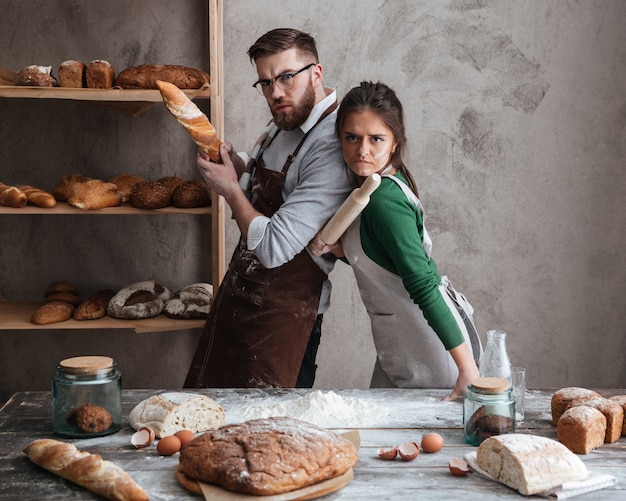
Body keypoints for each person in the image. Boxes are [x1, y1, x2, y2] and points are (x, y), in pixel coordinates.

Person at [184, 28, 355, 389]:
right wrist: (235, 162)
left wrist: (229, 189)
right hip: (239, 302)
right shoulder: (287, 119)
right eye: (265, 83)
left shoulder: (331, 147)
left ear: (317, 74)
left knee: (272, 438)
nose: (276, 92)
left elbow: (276, 247)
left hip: (284, 324)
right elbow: (265, 170)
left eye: (286, 77)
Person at [309, 81, 482, 400]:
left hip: (431, 351)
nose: (362, 149)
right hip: (401, 346)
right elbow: (383, 259)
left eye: (376, 139)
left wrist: (467, 369)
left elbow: (422, 284)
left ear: (395, 142)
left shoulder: (385, 201)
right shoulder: (372, 188)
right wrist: (340, 249)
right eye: (352, 138)